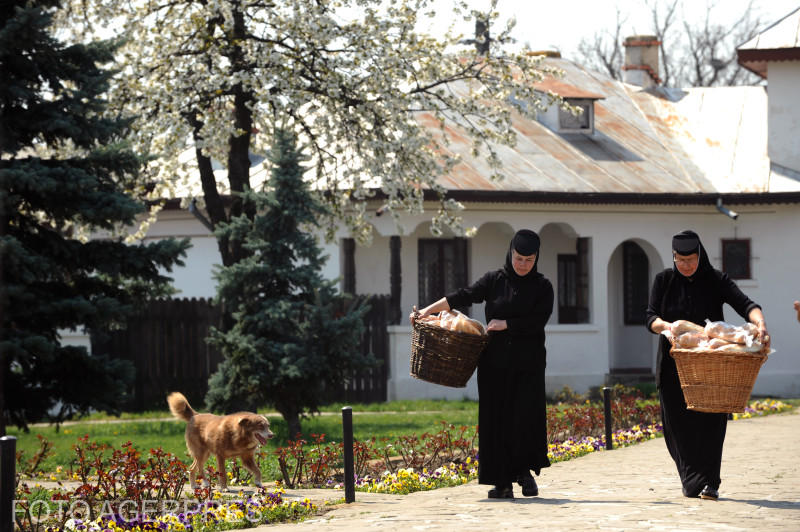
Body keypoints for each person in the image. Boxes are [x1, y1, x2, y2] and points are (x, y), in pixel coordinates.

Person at [410, 229, 554, 499]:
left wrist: (506, 323)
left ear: (537, 258)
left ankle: (524, 473)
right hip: (494, 365)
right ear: (510, 253)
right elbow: (463, 295)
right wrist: (427, 311)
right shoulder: (494, 280)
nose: (523, 264)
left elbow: (539, 320)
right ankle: (501, 483)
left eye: (529, 260)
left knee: (523, 418)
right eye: (518, 258)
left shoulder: (543, 286)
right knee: (495, 420)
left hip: (528, 365)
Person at [646, 230, 770, 501]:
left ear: (700, 256)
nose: (686, 265)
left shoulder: (716, 280)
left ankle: (710, 482)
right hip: (674, 365)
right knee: (677, 426)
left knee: (712, 425)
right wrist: (668, 327)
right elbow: (651, 317)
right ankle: (692, 478)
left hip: (714, 367)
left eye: (691, 259)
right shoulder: (664, 280)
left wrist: (759, 324)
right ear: (673, 257)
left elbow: (746, 304)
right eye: (680, 260)